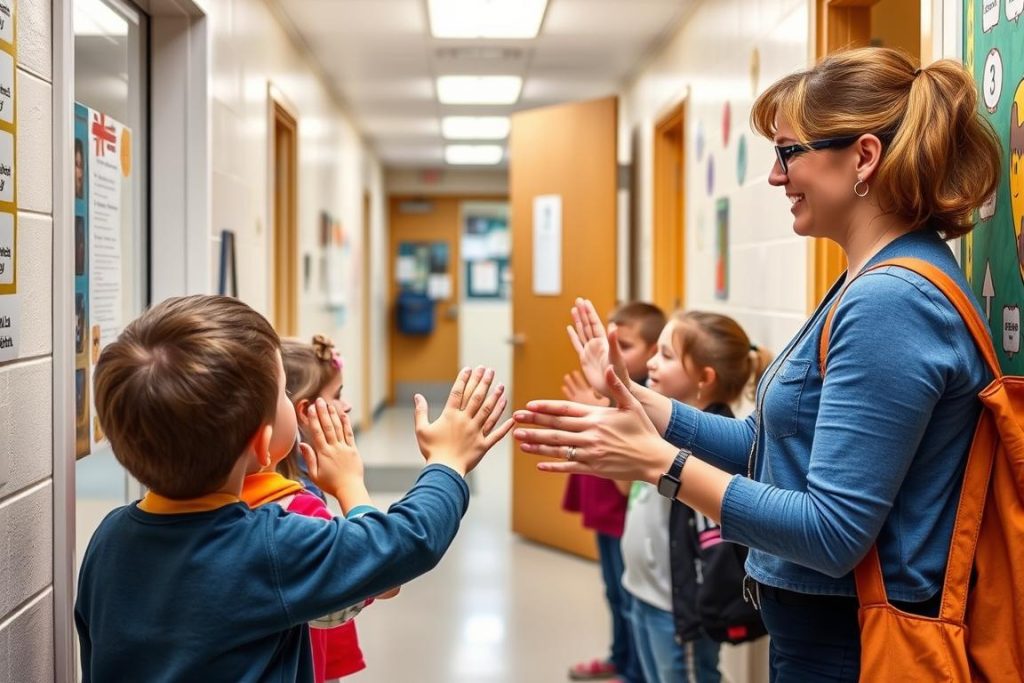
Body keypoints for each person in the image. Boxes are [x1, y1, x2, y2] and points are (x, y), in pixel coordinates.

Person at [513, 47, 1000, 682]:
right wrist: (644, 405)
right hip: (825, 630)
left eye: (789, 152)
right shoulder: (870, 278)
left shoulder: (891, 301)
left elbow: (832, 532)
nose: (776, 176)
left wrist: (661, 466)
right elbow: (770, 446)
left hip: (855, 643)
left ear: (863, 157)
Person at [75, 294, 512, 681]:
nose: (290, 402)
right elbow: (403, 542)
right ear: (262, 444)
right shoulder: (268, 548)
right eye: (284, 393)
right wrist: (447, 464)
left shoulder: (108, 539)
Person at [241, 334, 384, 682]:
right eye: (336, 396)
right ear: (303, 411)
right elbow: (381, 574)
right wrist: (351, 484)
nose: (347, 405)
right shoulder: (298, 505)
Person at [563, 301, 664, 683]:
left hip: (627, 518)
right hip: (605, 516)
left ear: (652, 353)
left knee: (629, 598)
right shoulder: (605, 389)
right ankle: (620, 658)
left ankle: (634, 671)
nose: (610, 354)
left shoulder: (644, 401)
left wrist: (597, 414)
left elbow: (628, 481)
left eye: (624, 345)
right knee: (614, 592)